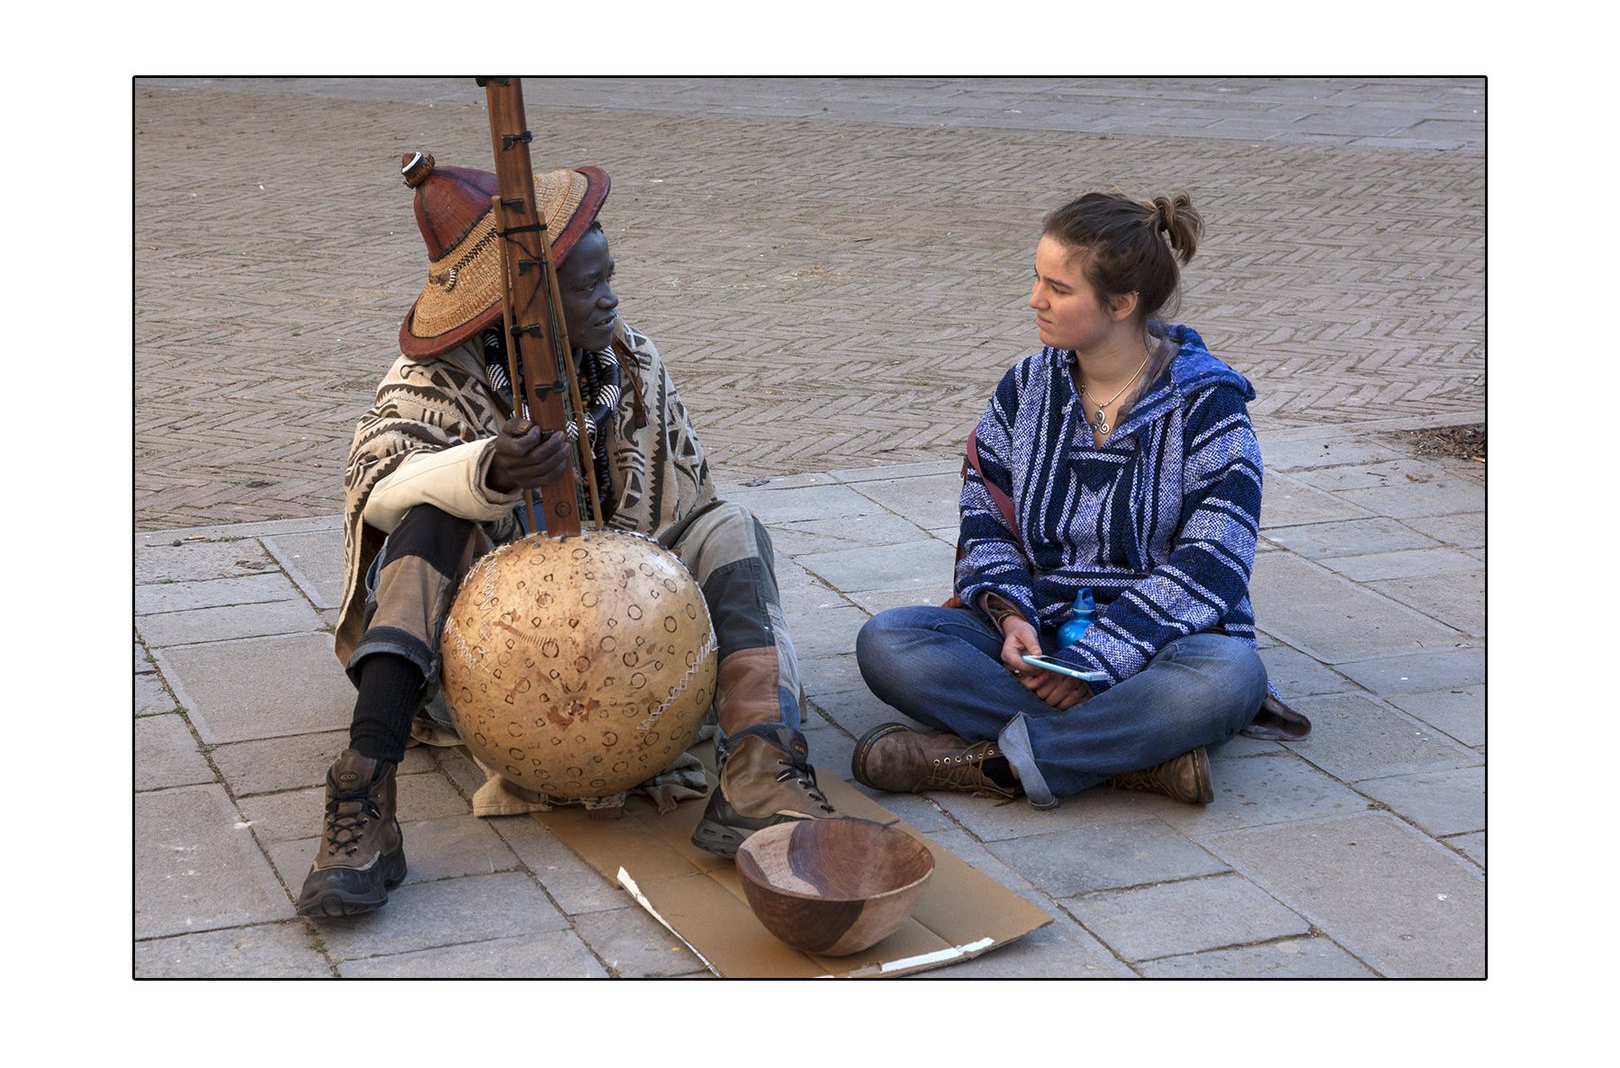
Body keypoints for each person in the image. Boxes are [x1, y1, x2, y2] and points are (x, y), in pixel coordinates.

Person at [296, 153, 835, 919]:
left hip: (640, 652)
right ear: (525, 311)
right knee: (432, 519)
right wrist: (488, 470)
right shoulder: (436, 377)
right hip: (494, 673)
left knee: (730, 526)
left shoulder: (631, 361)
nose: (611, 298)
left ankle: (759, 769)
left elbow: (685, 498)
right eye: (588, 287)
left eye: (609, 274)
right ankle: (363, 790)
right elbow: (376, 489)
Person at [851, 191, 1309, 811]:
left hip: (1163, 648)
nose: (1034, 299)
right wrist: (1012, 615)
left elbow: (1216, 560)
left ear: (1122, 304)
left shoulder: (1207, 405)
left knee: (1228, 677)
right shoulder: (1024, 388)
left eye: (1058, 289)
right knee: (890, 642)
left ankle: (985, 764)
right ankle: (1135, 757)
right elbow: (986, 516)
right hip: (1040, 638)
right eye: (1037, 278)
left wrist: (1100, 662)